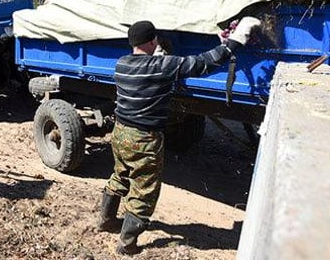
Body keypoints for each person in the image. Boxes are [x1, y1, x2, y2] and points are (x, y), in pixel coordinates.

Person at [96, 17, 260, 255]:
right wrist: (233, 43)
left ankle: (105, 220)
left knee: (120, 175)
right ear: (153, 41)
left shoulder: (122, 64)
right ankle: (127, 244)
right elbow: (202, 64)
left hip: (120, 132)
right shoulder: (162, 66)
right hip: (144, 138)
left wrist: (158, 58)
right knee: (144, 191)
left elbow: (148, 70)